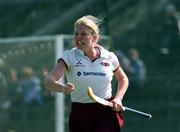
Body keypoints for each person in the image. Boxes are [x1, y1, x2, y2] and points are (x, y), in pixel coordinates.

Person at [44, 15, 129, 132]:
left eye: (83, 34)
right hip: (81, 114)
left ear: (94, 38)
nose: (78, 37)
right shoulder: (69, 56)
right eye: (76, 34)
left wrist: (118, 98)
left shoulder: (109, 57)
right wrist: (62, 88)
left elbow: (123, 79)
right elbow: (48, 81)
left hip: (105, 113)